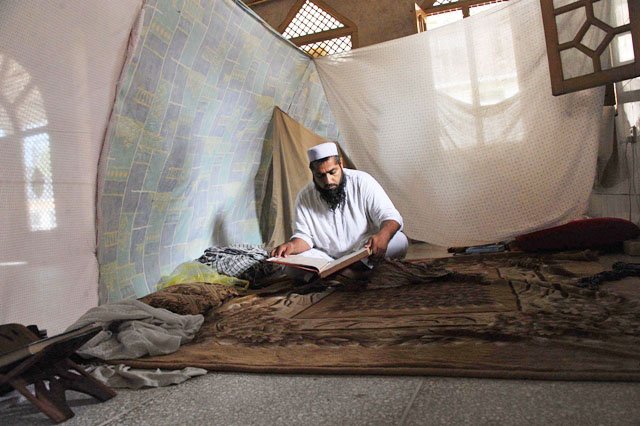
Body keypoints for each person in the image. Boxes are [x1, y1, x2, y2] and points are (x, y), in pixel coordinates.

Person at [270, 141, 408, 270]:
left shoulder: (362, 182)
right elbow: (304, 237)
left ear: (341, 164)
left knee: (399, 241)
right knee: (290, 266)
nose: (328, 181)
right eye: (320, 176)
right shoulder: (305, 197)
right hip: (327, 259)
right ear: (312, 172)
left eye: (332, 172)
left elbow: (390, 216)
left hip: (363, 251)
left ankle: (346, 273)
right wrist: (291, 246)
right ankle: (349, 273)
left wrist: (382, 236)